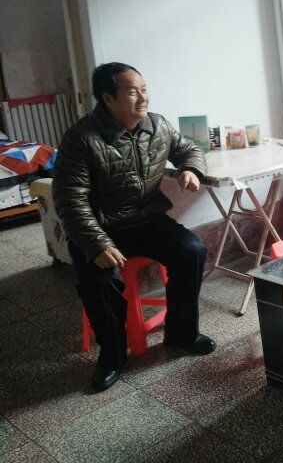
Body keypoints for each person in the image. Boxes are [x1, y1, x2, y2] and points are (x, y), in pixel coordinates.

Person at [53, 62, 215, 393]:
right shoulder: (80, 139)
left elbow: (189, 149)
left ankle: (182, 334)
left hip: (147, 220)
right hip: (99, 227)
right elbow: (70, 200)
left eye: (144, 89)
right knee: (101, 281)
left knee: (192, 251)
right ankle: (112, 356)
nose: (143, 98)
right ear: (108, 98)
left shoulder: (157, 125)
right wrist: (96, 244)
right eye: (132, 92)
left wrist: (191, 169)